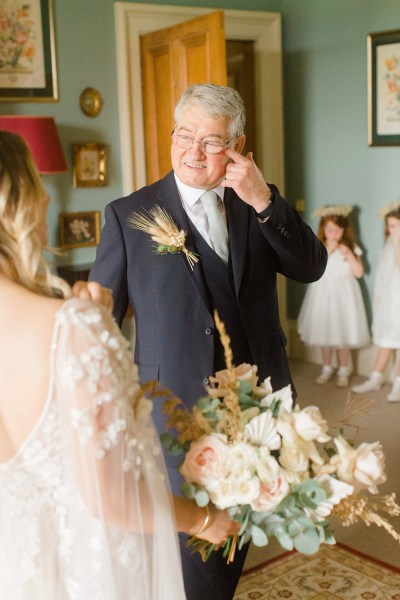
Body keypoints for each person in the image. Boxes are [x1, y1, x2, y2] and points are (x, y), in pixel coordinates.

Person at [87, 83, 327, 600]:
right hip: (174, 415)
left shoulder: (255, 205)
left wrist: (263, 197)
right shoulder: (127, 215)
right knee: (191, 556)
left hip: (258, 410)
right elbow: (97, 329)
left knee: (235, 536)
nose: (194, 151)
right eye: (185, 135)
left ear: (237, 147)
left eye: (212, 141)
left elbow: (311, 266)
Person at [0, 131, 240, 599]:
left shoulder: (70, 321)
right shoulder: (70, 330)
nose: (48, 196)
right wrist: (204, 520)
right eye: (37, 186)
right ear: (19, 206)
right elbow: (112, 498)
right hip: (83, 566)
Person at [297, 205, 370, 388]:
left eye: (338, 230)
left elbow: (359, 272)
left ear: (344, 230)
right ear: (324, 229)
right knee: (325, 331)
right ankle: (327, 367)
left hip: (345, 296)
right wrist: (328, 250)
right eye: (330, 230)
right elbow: (313, 269)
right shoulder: (319, 246)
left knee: (343, 334)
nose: (334, 234)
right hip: (323, 295)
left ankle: (344, 369)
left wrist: (348, 253)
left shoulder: (351, 247)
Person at [352, 200, 400, 401]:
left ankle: (398, 384)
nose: (393, 229)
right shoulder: (390, 242)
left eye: (396, 225)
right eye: (391, 226)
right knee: (386, 340)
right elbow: (384, 272)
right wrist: (379, 295)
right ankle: (376, 377)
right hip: (391, 298)